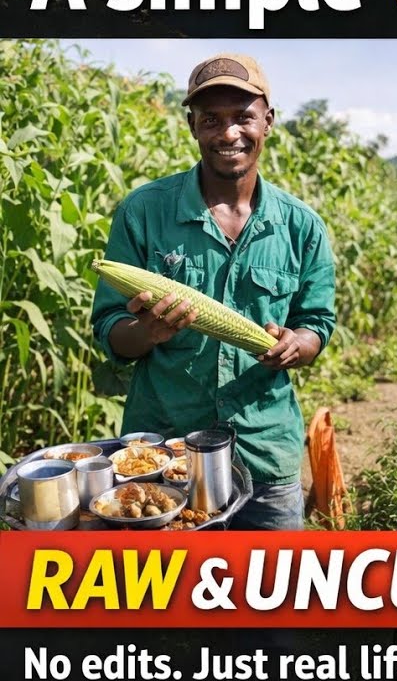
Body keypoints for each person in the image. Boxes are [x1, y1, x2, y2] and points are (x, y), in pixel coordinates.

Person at [90, 53, 337, 530]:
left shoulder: (301, 226)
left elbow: (317, 324)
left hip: (264, 454)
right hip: (165, 457)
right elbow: (109, 329)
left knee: (272, 596)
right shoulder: (144, 212)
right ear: (192, 127)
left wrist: (297, 344)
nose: (228, 133)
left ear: (268, 121)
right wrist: (147, 332)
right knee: (166, 597)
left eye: (243, 117)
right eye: (211, 120)